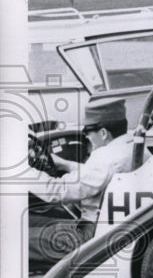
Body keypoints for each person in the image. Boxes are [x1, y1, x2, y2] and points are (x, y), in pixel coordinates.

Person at [28, 98, 134, 268]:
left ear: (104, 133)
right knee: (30, 221)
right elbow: (98, 175)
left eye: (87, 132)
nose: (86, 136)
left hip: (91, 238)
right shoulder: (130, 146)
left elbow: (56, 192)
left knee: (14, 238)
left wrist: (23, 172)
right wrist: (65, 164)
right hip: (109, 229)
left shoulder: (106, 158)